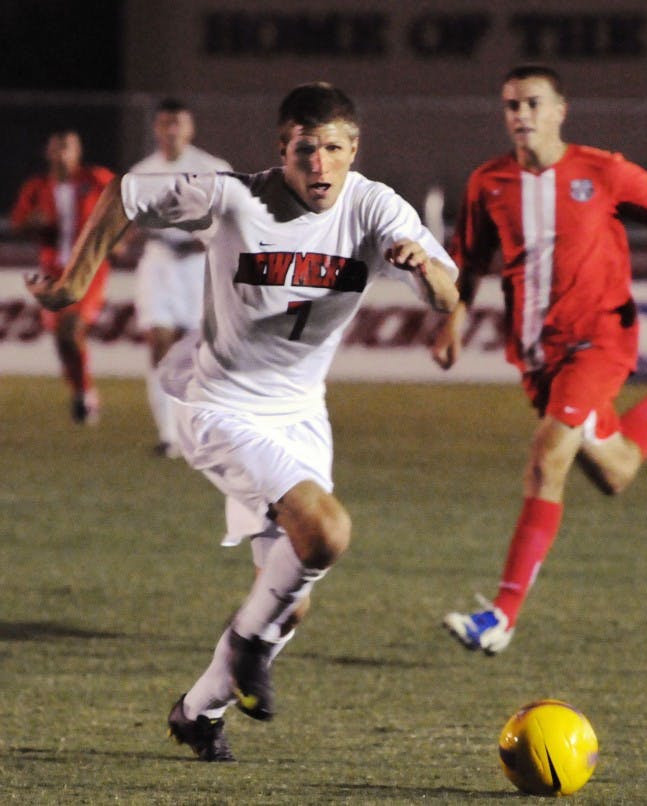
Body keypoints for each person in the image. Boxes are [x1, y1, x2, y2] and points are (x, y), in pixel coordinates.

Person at [27, 82, 459, 761]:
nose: (320, 164)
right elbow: (127, 197)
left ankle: (199, 710)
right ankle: (249, 646)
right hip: (220, 404)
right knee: (327, 531)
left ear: (355, 151)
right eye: (305, 150)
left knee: (295, 594)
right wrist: (78, 278)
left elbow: (446, 293)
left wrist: (425, 268)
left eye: (335, 150)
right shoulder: (233, 195)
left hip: (301, 415)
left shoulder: (375, 205)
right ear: (281, 150)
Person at [434, 64, 647, 656]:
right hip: (538, 356)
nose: (521, 115)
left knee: (546, 457)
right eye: (511, 106)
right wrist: (453, 322)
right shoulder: (488, 182)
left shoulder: (601, 170)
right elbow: (470, 263)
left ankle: (500, 618)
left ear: (560, 111)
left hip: (600, 339)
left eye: (533, 103)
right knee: (616, 471)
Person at [129, 98, 232, 457]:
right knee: (159, 342)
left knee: (196, 351)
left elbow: (232, 218)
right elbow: (130, 221)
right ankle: (168, 433)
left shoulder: (212, 168)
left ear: (189, 128)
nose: (171, 131)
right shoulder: (142, 172)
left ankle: (201, 429)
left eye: (178, 123)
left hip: (198, 264)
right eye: (164, 123)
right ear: (156, 128)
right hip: (159, 260)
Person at [11, 130, 116, 424]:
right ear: (48, 152)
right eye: (57, 148)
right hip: (52, 272)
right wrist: (32, 222)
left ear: (78, 151)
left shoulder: (96, 179)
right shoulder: (36, 187)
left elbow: (127, 206)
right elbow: (18, 222)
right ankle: (83, 391)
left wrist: (119, 239)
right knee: (61, 339)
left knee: (70, 329)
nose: (62, 154)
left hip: (89, 269)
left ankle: (84, 396)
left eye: (67, 148)